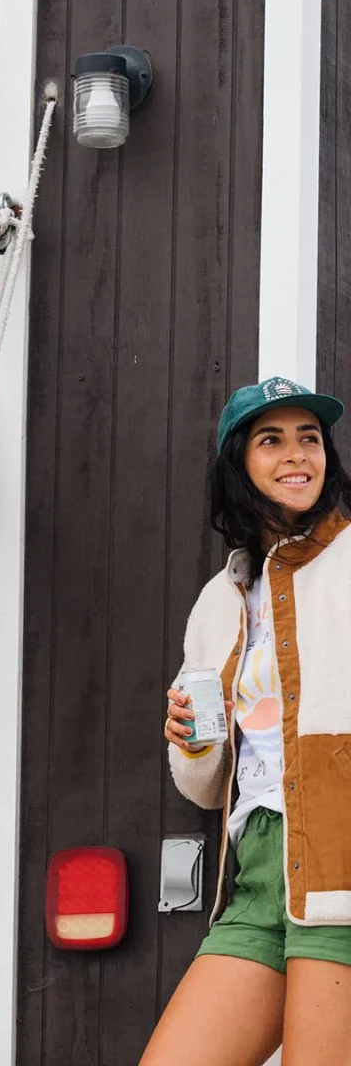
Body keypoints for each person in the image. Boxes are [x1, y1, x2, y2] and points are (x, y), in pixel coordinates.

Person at [142, 376, 351, 1065]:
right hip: (257, 869)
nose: (296, 455)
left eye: (309, 439)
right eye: (271, 440)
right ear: (238, 463)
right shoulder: (220, 599)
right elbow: (205, 788)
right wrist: (190, 742)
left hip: (339, 860)